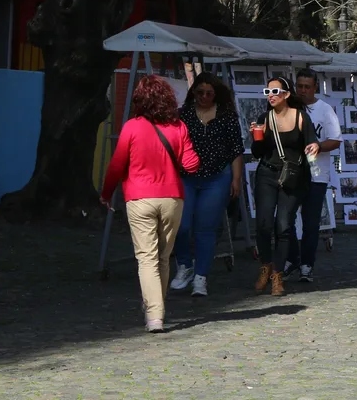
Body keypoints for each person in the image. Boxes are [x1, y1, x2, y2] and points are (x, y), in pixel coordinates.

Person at [100, 75, 200, 332]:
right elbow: (192, 164)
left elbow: (116, 164)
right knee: (164, 258)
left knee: (146, 258)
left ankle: (154, 316)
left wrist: (106, 193)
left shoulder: (132, 126)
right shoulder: (179, 127)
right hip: (172, 198)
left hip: (139, 197)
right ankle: (158, 308)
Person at [170, 72, 243, 297]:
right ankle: (185, 265)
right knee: (180, 226)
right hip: (187, 177)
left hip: (216, 177)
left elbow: (236, 150)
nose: (203, 97)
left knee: (206, 228)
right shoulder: (184, 115)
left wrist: (236, 179)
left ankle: (201, 276)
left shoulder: (227, 116)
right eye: (199, 92)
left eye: (208, 93)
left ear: (216, 94)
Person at [249, 77, 313, 297]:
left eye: (275, 91)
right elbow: (256, 154)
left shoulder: (301, 117)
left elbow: (311, 142)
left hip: (292, 177)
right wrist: (256, 138)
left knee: (283, 226)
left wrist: (313, 146)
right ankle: (265, 267)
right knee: (264, 224)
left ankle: (278, 274)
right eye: (268, 90)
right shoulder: (263, 118)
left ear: (286, 94)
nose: (271, 94)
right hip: (267, 173)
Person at [283, 69, 343, 282]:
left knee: (310, 222)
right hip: (291, 173)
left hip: (317, 174)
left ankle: (307, 264)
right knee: (284, 220)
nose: (303, 90)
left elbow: (335, 140)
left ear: (315, 87)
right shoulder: (288, 108)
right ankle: (292, 258)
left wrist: (318, 145)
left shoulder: (324, 110)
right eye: (300, 86)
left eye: (307, 86)